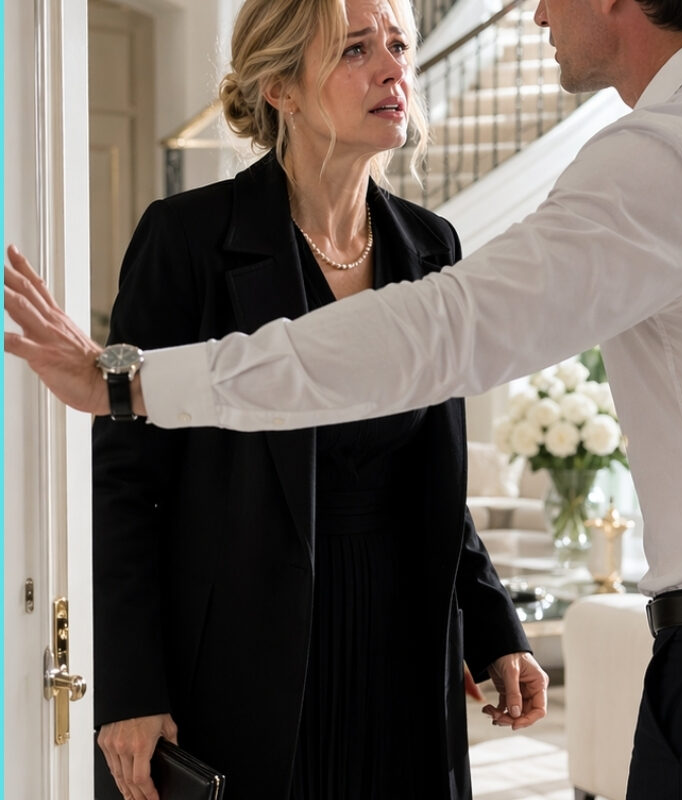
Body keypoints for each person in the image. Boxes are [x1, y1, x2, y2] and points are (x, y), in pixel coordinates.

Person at [5, 0, 682, 798]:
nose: (534, 15)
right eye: (358, 47)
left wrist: (131, 379)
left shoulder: (662, 159)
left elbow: (434, 339)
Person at [64, 1, 549, 799]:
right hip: (239, 653)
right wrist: (130, 688)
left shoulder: (431, 246)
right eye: (356, 50)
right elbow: (124, 483)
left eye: (399, 44)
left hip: (403, 640)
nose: (393, 69)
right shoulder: (186, 239)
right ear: (281, 87)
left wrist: (494, 625)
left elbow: (434, 473)